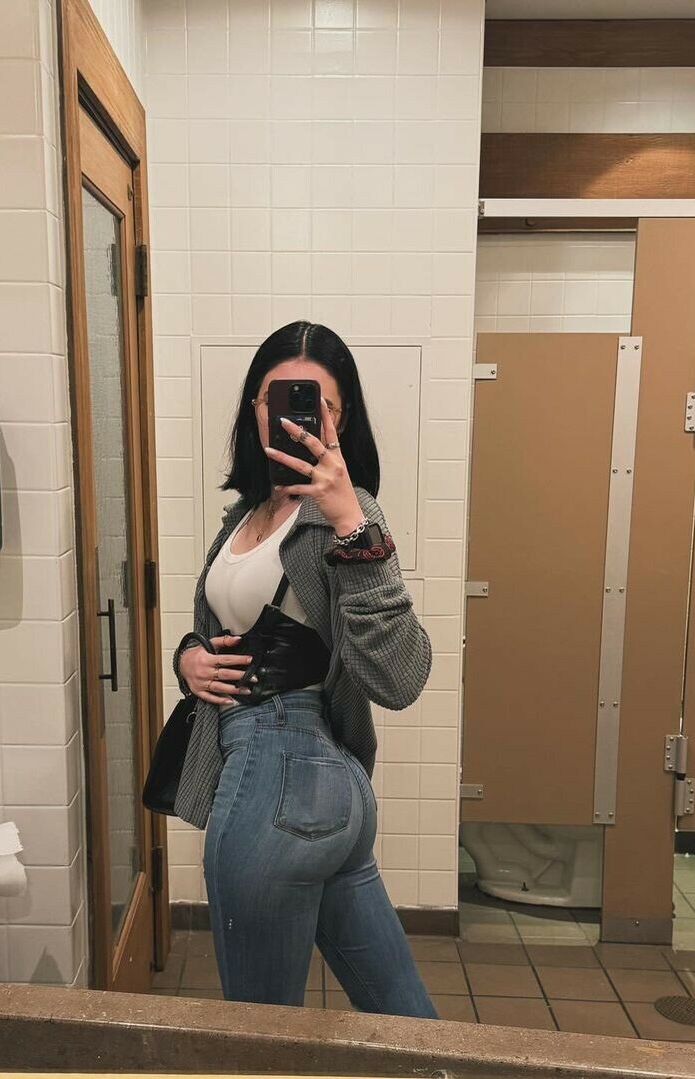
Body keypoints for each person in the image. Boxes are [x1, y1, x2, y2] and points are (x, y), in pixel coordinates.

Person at [171, 321, 437, 1018]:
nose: (293, 414)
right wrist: (189, 657)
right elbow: (220, 627)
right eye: (276, 397)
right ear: (255, 408)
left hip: (280, 777)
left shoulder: (346, 517)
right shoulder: (246, 513)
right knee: (402, 1014)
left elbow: (401, 678)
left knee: (260, 1035)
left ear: (339, 419)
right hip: (317, 789)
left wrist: (352, 522)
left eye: (317, 402)